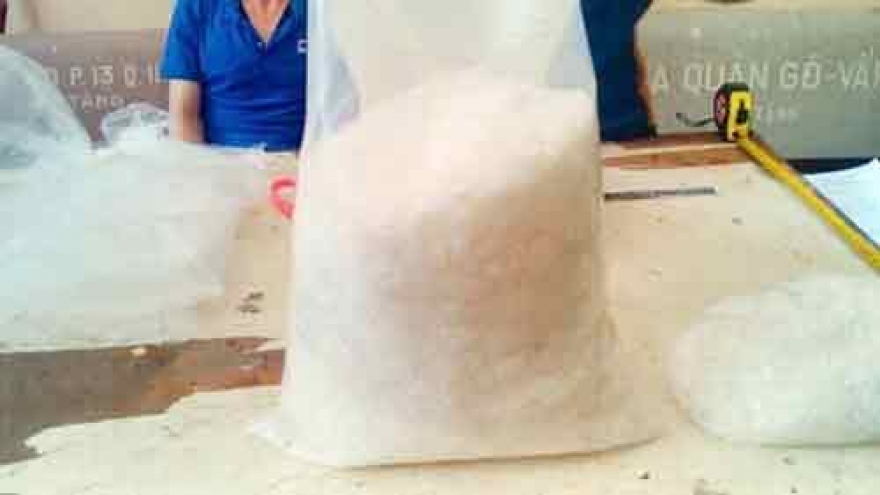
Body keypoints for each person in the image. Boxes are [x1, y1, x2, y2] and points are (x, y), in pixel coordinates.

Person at [161, 0, 655, 150]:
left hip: (612, 140)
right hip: (229, 175)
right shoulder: (199, 8)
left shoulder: (323, 9)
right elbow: (184, 115)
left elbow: (627, 48)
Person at [161, 0, 307, 152]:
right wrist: (202, 164)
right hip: (217, 159)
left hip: (303, 159)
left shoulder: (317, 9)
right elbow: (183, 117)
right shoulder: (196, 5)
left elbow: (325, 118)